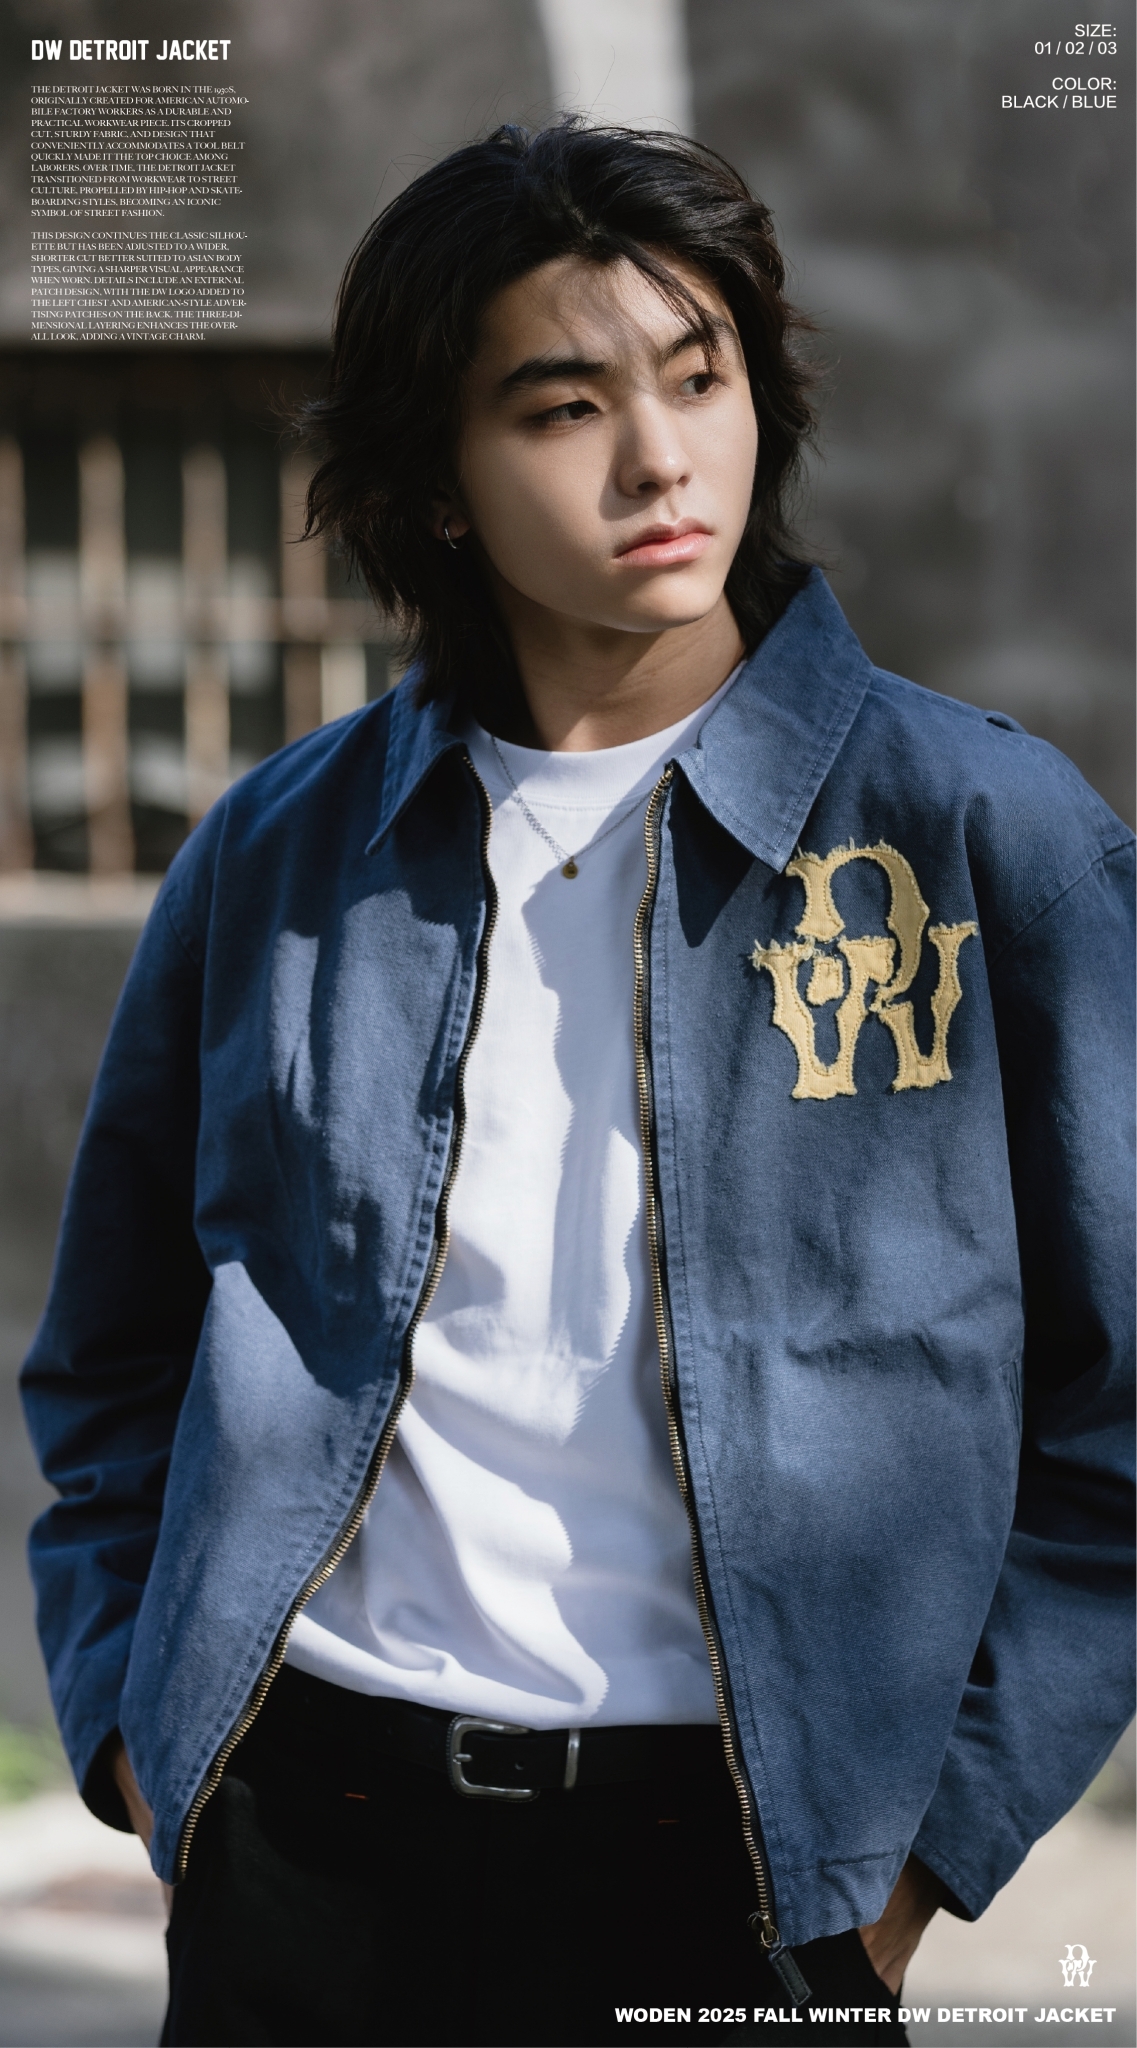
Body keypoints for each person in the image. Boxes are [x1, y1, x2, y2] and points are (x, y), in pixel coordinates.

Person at [20, 121, 1133, 2048]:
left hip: (745, 1874)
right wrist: (141, 1730)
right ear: (436, 486)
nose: (659, 460)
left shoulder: (983, 835)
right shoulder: (280, 856)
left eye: (699, 378)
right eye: (561, 407)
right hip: (309, 1837)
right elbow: (113, 1354)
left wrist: (929, 1847)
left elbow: (1120, 1408)